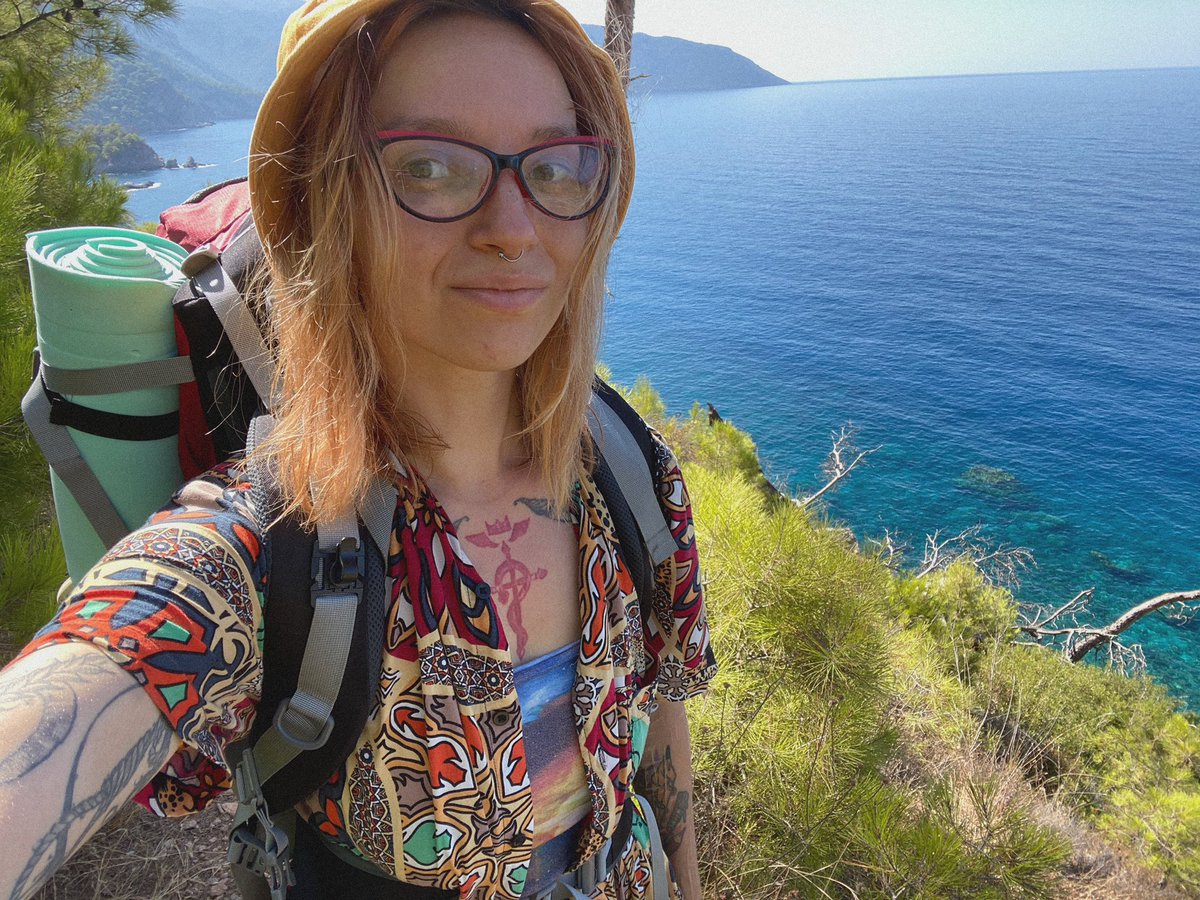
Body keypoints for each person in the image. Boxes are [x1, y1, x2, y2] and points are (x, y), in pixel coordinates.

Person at [0, 0, 716, 897]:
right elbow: (99, 671)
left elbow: (659, 712)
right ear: (325, 205)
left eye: (555, 166)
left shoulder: (627, 473)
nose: (513, 227)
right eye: (429, 166)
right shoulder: (269, 545)